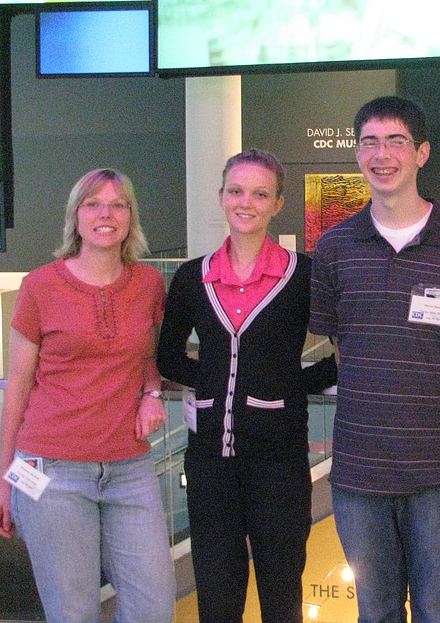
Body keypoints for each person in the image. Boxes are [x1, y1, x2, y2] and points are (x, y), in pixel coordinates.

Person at [309, 95, 440, 623]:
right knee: (375, 612)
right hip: (358, 472)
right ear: (356, 154)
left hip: (438, 472)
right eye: (369, 141)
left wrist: (435, 427)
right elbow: (344, 349)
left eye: (396, 141)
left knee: (439, 610)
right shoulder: (334, 248)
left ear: (422, 153)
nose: (382, 154)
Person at [156, 149, 337, 623]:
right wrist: (218, 381)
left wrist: (287, 385)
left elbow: (345, 357)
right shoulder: (193, 278)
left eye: (260, 194)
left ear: (278, 204)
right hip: (208, 465)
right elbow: (168, 356)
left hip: (280, 463)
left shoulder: (304, 275)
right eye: (236, 192)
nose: (246, 203)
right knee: (216, 597)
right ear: (221, 197)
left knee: (281, 595)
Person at [0, 168, 176, 623]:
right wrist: (4, 480)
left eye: (118, 204)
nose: (105, 214)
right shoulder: (40, 285)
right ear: (76, 217)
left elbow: (148, 357)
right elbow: (19, 386)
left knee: (153, 607)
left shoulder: (149, 284)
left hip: (129, 470)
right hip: (50, 471)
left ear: (131, 217)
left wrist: (152, 391)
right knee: (72, 613)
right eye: (93, 204)